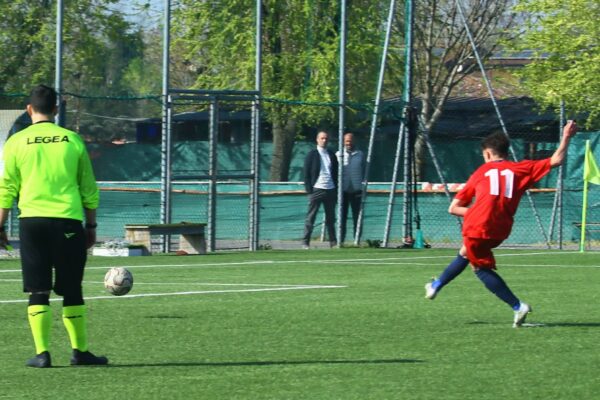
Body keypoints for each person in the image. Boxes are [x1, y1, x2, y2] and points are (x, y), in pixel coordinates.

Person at [424, 121, 577, 327]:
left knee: (479, 268)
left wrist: (477, 213)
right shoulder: (520, 168)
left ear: (487, 154)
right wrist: (566, 135)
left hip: (478, 225)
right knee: (465, 253)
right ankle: (436, 285)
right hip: (501, 228)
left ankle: (517, 306)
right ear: (506, 151)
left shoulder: (480, 172)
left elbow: (453, 208)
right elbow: (556, 160)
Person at [0, 85, 108, 367]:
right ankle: (79, 352)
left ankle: (42, 354)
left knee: (38, 289)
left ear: (29, 110)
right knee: (72, 289)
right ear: (56, 110)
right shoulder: (72, 140)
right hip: (68, 222)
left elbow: (6, 188)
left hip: (31, 223)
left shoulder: (15, 142)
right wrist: (92, 226)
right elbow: (88, 187)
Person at [302, 130, 338, 248]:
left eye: (326, 138)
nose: (324, 140)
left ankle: (333, 242)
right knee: (311, 217)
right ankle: (305, 242)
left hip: (330, 189)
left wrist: (335, 187)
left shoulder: (331, 155)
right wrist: (309, 190)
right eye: (322, 138)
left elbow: (335, 172)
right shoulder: (312, 154)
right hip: (317, 189)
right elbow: (306, 173)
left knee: (331, 218)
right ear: (317, 140)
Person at [336, 132, 365, 244]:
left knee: (357, 216)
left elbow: (363, 168)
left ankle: (357, 240)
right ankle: (340, 240)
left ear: (354, 141)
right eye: (347, 141)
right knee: (342, 216)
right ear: (343, 141)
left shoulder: (360, 155)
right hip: (343, 190)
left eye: (351, 140)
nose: (349, 143)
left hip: (357, 189)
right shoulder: (339, 154)